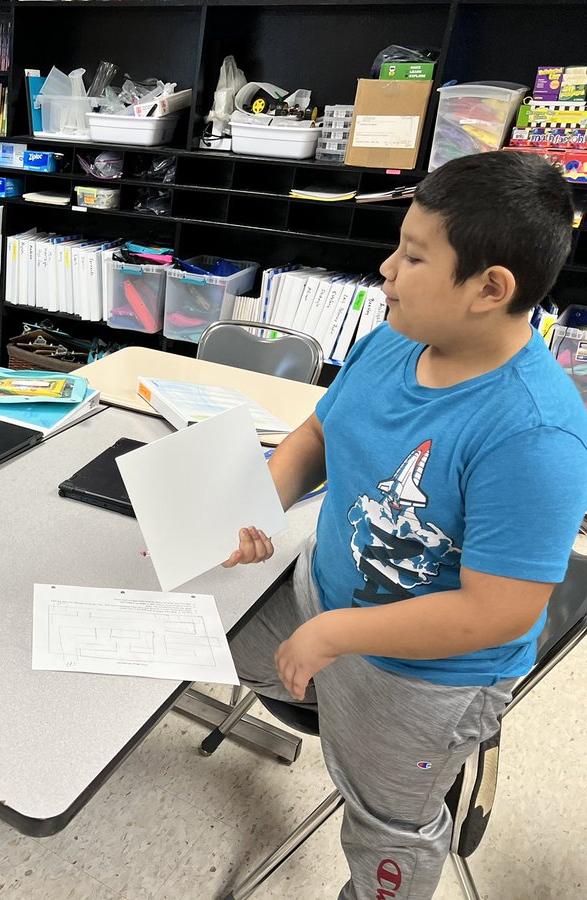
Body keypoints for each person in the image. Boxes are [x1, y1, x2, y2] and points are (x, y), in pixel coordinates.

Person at [223, 151, 587, 899]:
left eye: (414, 257)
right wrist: (258, 502)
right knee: (191, 624)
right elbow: (322, 433)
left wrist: (336, 637)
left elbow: (498, 612)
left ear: (491, 289)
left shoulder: (536, 434)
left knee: (389, 827)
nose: (386, 269)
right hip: (323, 593)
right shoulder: (397, 335)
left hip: (425, 673)